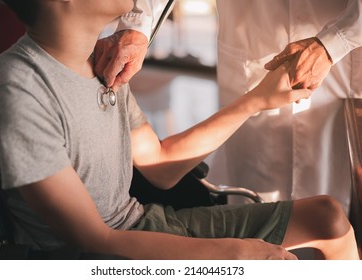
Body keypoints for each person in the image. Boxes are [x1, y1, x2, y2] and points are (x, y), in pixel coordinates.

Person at [0, 0, 359, 260]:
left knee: (328, 218)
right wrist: (236, 254)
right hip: (96, 257)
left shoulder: (96, 63)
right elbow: (96, 240)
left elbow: (160, 164)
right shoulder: (18, 90)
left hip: (142, 223)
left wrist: (256, 100)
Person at [94, 0, 362, 214]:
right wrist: (137, 23)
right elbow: (159, 165)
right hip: (254, 41)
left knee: (334, 211)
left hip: (342, 65)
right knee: (266, 206)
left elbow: (160, 164)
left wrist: (334, 42)